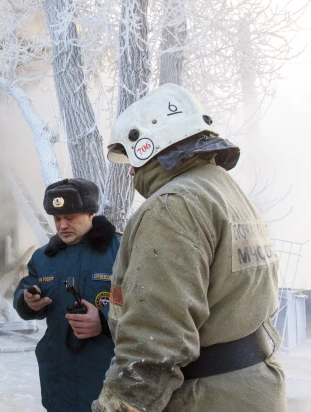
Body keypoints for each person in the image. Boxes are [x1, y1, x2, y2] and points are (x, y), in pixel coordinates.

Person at [92, 84, 285, 412]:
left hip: (206, 398)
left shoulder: (170, 207)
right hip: (252, 389)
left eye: (132, 155)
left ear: (152, 145)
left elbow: (154, 342)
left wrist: (118, 406)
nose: (130, 171)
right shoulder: (223, 191)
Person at [13, 178, 121, 412]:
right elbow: (24, 291)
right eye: (57, 219)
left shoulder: (121, 251)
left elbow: (147, 306)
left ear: (91, 213)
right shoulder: (43, 258)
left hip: (108, 384)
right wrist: (28, 301)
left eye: (70, 218)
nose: (62, 225)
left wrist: (104, 320)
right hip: (58, 386)